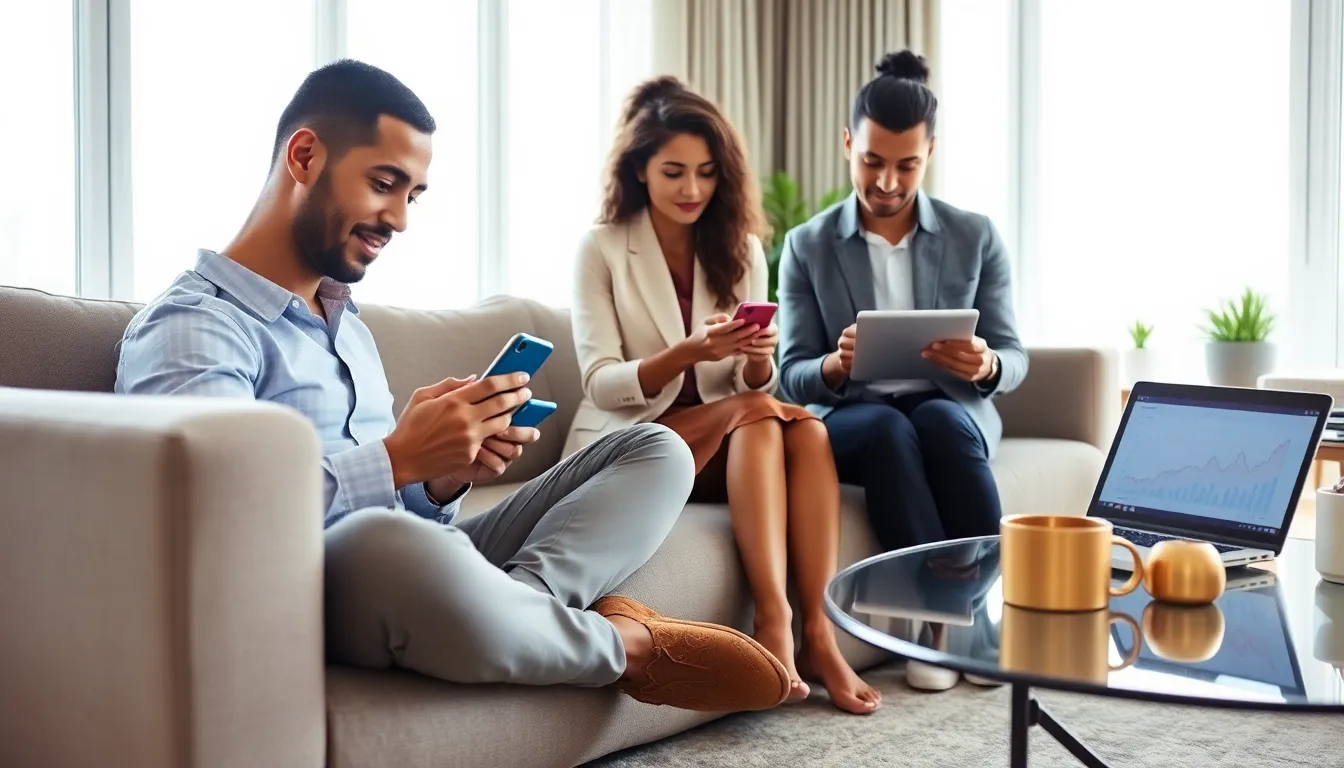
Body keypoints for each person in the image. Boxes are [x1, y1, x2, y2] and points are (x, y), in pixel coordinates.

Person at [113, 59, 794, 713]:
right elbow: (215, 518)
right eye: (384, 183)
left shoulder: (345, 322)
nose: (400, 219)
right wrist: (397, 458)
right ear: (304, 158)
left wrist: (439, 481)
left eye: (412, 195)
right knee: (388, 547)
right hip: (326, 580)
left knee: (656, 451)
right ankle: (626, 649)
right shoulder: (197, 328)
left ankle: (520, 615)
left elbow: (419, 523)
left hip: (419, 563)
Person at [565, 76, 881, 714]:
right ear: (639, 169)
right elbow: (601, 381)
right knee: (765, 421)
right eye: (674, 171)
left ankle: (814, 631)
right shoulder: (601, 249)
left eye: (706, 173)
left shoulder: (739, 249)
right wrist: (688, 352)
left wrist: (758, 364)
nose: (691, 190)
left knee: (804, 429)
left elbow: (748, 388)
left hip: (727, 440)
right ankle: (773, 619)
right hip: (633, 441)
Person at [776, 50, 1026, 691]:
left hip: (952, 406)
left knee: (939, 420)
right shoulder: (808, 244)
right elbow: (791, 373)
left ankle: (984, 615)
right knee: (890, 429)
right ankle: (936, 625)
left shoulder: (975, 236)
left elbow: (1016, 356)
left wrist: (987, 363)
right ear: (846, 145)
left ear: (931, 152)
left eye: (906, 164)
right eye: (872, 161)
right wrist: (835, 363)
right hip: (858, 416)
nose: (887, 181)